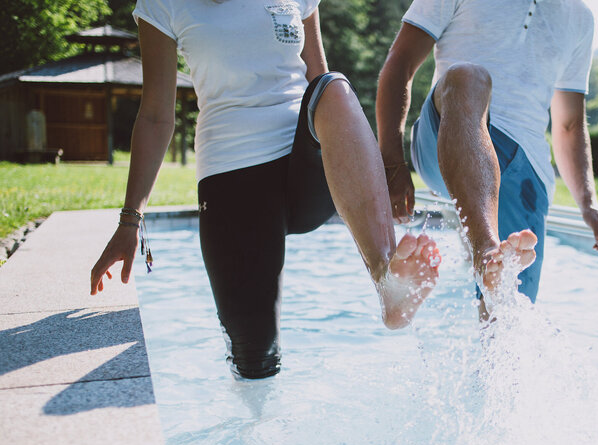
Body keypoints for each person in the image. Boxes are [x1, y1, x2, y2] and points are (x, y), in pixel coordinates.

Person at [90, 0, 441, 379]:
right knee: (255, 364)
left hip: (304, 164)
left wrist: (370, 174)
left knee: (334, 86)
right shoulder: (163, 4)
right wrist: (130, 220)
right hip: (232, 179)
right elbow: (156, 115)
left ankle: (387, 281)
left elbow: (318, 79)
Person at [377, 0, 598, 314]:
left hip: (524, 168)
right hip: (447, 134)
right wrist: (392, 161)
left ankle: (490, 277)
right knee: (467, 76)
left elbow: (570, 124)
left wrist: (589, 202)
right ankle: (486, 249)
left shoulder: (580, 18)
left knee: (506, 320)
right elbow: (400, 64)